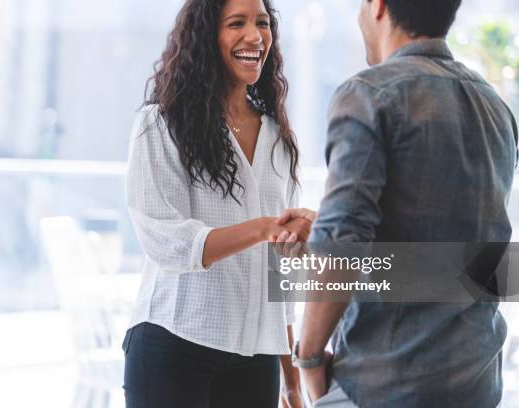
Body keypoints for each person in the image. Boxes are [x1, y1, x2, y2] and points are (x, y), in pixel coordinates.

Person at [279, 0, 518, 407]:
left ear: (378, 7)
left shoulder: (369, 95)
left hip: (384, 383)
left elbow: (342, 246)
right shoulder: (495, 108)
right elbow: (468, 244)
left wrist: (309, 362)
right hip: (476, 382)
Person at [122, 0, 310, 407]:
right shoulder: (161, 124)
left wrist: (292, 378)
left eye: (262, 23)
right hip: (174, 344)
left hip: (257, 356)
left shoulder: (279, 138)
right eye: (236, 23)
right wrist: (264, 227)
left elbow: (279, 269)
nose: (254, 36)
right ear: (207, 36)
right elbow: (167, 242)